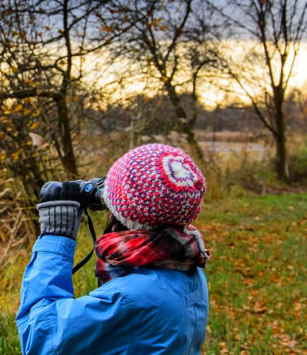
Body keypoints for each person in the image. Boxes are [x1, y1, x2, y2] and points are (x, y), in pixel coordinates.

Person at [16, 143, 211, 354]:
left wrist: (55, 238)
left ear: (122, 213)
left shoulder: (131, 298)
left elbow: (39, 337)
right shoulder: (188, 263)